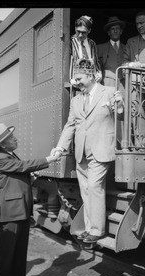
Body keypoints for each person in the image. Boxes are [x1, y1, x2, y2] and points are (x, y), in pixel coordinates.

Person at [50, 58, 124, 243]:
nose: (77, 82)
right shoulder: (75, 100)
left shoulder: (109, 92)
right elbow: (70, 126)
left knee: (94, 187)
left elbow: (121, 115)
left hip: (101, 150)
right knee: (85, 190)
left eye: (79, 78)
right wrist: (60, 147)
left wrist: (120, 106)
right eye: (75, 79)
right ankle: (90, 228)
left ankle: (98, 230)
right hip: (81, 153)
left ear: (91, 76)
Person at [0, 123, 59, 276]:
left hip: (21, 211)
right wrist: (49, 159)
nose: (15, 138)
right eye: (12, 138)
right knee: (6, 259)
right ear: (4, 144)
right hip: (10, 214)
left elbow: (16, 179)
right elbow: (23, 166)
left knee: (19, 256)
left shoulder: (11, 155)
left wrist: (30, 179)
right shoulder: (0, 159)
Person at [70, 15, 102, 88]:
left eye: (84, 32)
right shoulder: (70, 42)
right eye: (78, 31)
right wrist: (71, 79)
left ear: (89, 31)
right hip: (76, 83)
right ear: (75, 28)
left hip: (91, 84)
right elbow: (69, 62)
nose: (80, 35)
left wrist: (99, 73)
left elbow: (96, 62)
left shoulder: (92, 43)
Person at [97, 16, 126, 88]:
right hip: (106, 84)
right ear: (109, 32)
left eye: (117, 28)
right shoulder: (100, 48)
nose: (115, 31)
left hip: (123, 85)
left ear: (121, 31)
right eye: (112, 29)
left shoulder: (127, 48)